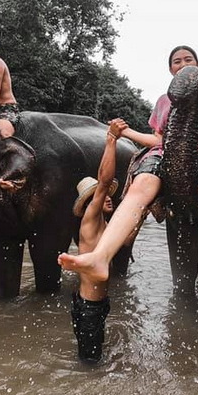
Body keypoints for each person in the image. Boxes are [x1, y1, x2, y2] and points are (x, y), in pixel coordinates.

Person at [59, 45, 198, 302]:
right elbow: (157, 139)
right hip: (167, 151)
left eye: (188, 59)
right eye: (176, 61)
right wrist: (124, 133)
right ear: (171, 70)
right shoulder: (163, 101)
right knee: (141, 183)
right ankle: (101, 256)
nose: (182, 64)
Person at [70, 118, 127, 363]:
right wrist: (111, 140)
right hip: (89, 307)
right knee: (90, 363)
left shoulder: (105, 226)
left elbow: (126, 240)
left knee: (93, 359)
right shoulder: (90, 219)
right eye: (98, 198)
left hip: (98, 304)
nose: (106, 198)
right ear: (89, 202)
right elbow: (104, 183)